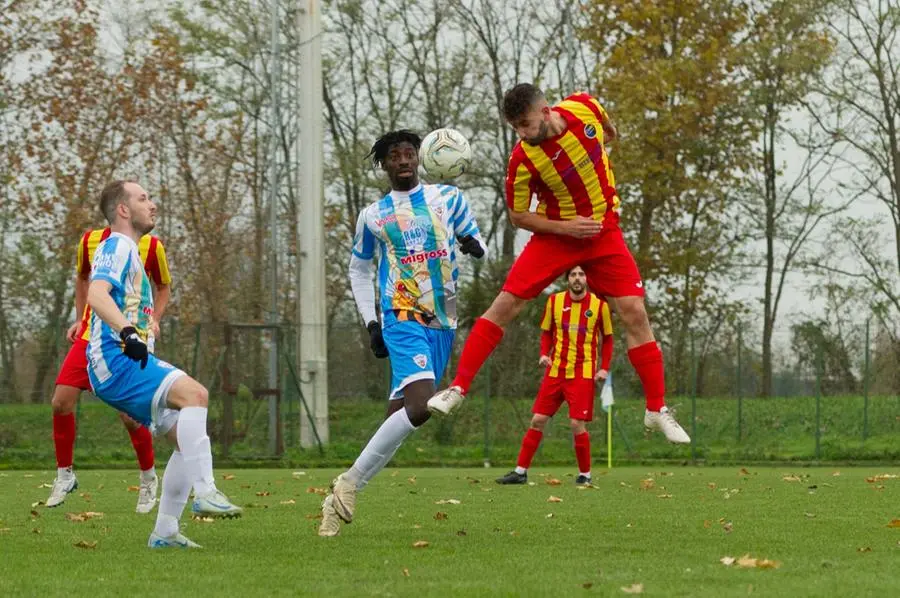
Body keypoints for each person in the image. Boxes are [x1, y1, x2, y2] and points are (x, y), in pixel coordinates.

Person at [427, 84, 690, 444]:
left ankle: (656, 409)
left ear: (546, 110)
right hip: (555, 238)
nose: (521, 133)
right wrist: (566, 227)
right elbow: (518, 215)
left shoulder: (584, 108)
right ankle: (456, 389)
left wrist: (602, 155)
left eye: (525, 123)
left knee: (634, 311)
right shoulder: (522, 159)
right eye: (515, 127)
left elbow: (607, 129)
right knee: (507, 304)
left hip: (603, 233)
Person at [318, 130, 485, 537]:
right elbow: (358, 270)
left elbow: (476, 241)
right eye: (396, 156)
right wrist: (372, 322)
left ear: (422, 158)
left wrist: (473, 245)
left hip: (443, 320)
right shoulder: (374, 216)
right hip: (402, 313)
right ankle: (348, 486)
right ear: (386, 165)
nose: (405, 160)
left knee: (405, 419)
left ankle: (344, 489)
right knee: (422, 403)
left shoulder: (448, 199)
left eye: (410, 153)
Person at [86, 180, 241, 548]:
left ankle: (166, 532)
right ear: (123, 210)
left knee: (185, 442)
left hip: (124, 359)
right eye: (143, 198)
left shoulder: (132, 250)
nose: (152, 205)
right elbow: (95, 293)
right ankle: (206, 492)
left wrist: (142, 332)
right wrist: (128, 333)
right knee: (196, 395)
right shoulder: (117, 245)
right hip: (114, 359)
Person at [47, 227, 171, 512]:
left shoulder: (152, 247)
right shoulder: (90, 240)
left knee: (130, 417)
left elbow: (163, 287)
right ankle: (65, 475)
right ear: (120, 207)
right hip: (92, 334)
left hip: (129, 338)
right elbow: (83, 278)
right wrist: (80, 319)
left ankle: (148, 478)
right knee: (60, 402)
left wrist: (155, 320)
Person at [496, 266, 613, 486]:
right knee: (537, 420)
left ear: (587, 278)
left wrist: (604, 367)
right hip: (556, 371)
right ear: (567, 279)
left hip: (583, 371)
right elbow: (547, 332)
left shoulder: (600, 306)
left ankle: (585, 475)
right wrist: (543, 354)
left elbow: (607, 339)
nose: (577, 278)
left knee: (576, 424)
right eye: (573, 275)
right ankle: (520, 472)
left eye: (581, 274)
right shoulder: (554, 302)